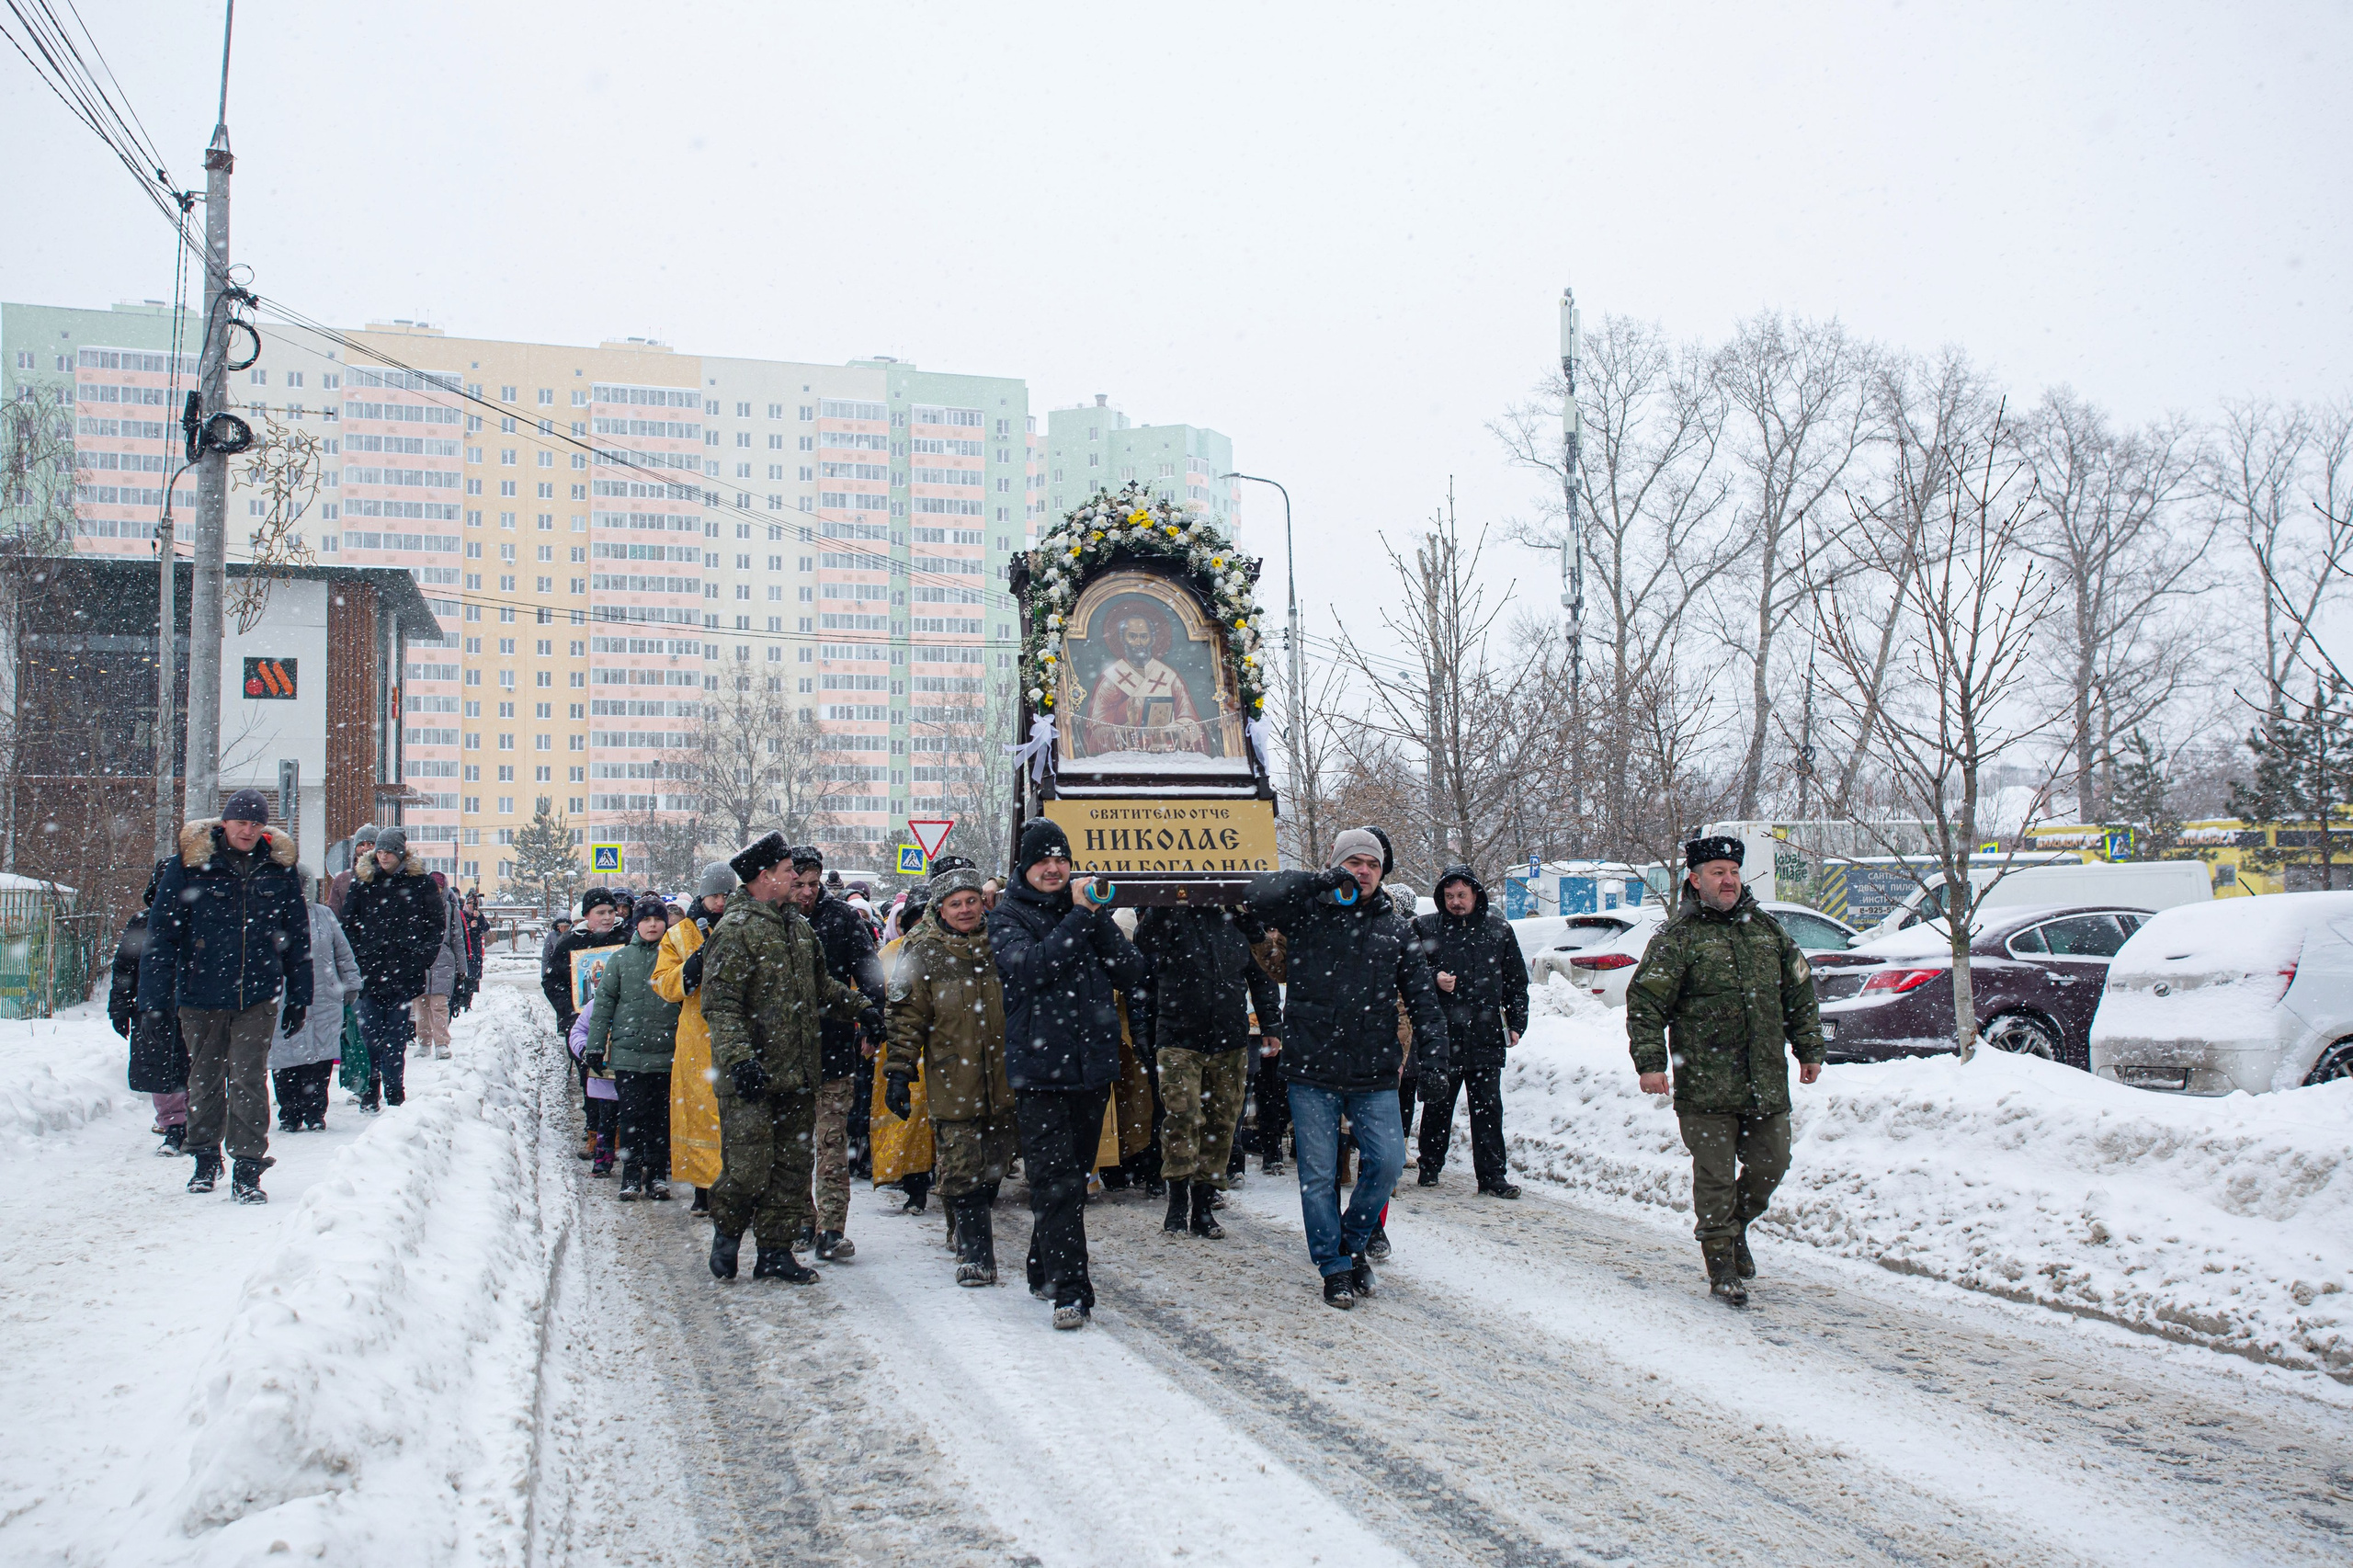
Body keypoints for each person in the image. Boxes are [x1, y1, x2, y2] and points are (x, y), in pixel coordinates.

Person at [1245, 827, 1445, 1310]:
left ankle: (1352, 1243)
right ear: (1338, 865)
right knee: (1317, 1176)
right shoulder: (1305, 916)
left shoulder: (1397, 930)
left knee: (1388, 1162)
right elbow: (1257, 894)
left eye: (1372, 864)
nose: (1364, 870)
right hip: (1311, 1069)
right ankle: (1333, 1266)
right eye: (1354, 861)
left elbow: (1422, 999)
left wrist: (1435, 1057)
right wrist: (1316, 882)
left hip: (1373, 1070)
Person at [1627, 835, 1824, 1307]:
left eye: (1733, 871)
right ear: (1695, 881)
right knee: (1714, 1176)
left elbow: (1799, 994)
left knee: (1772, 1164)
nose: (1729, 880)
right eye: (1717, 872)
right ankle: (1720, 1263)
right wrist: (1651, 1063)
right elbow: (1646, 1004)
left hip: (1765, 1080)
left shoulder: (1768, 933)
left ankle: (1736, 1230)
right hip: (1704, 1082)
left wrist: (1809, 1049)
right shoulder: (1677, 939)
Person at [989, 818, 1152, 1329]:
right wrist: (1080, 917)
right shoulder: (1007, 915)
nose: (1054, 869)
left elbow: (1132, 971)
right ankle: (1072, 1290)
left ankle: (1042, 1267)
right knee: (1055, 1181)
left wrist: (1096, 915)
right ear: (1026, 865)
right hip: (1039, 1072)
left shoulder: (1086, 911)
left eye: (1061, 859)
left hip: (1091, 1069)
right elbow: (1034, 968)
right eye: (1043, 860)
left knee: (1074, 1178)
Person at [700, 833, 882, 1284]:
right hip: (751, 1077)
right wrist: (740, 1060)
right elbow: (721, 1005)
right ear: (767, 878)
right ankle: (726, 1237)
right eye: (788, 873)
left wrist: (864, 1011)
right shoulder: (736, 929)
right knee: (747, 1169)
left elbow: (824, 988)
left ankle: (775, 1253)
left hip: (798, 1073)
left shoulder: (798, 928)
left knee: (790, 1169)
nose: (796, 880)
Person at [136, 790, 312, 1201]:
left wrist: (301, 995)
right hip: (200, 995)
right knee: (205, 1078)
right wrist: (153, 1002)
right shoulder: (192, 867)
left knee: (250, 1079)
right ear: (225, 823)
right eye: (241, 822)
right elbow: (161, 938)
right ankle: (204, 1159)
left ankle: (248, 1168)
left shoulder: (279, 871)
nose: (248, 830)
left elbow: (298, 939)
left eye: (256, 823)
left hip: (257, 995)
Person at [884, 862, 1016, 1286]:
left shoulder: (1004, 941)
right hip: (952, 1079)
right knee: (961, 1166)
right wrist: (899, 1073)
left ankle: (963, 1224)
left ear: (983, 902)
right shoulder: (922, 950)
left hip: (1004, 1079)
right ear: (940, 908)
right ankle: (977, 1253)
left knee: (995, 1164)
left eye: (972, 901)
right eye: (955, 903)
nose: (964, 910)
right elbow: (906, 1018)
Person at [1131, 903, 1281, 1239]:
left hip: (1229, 1037)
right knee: (1181, 1118)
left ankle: (1203, 1205)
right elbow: (1144, 946)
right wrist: (1163, 902)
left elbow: (1261, 975)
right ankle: (1176, 1203)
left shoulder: (1240, 918)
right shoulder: (1170, 913)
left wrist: (1271, 1022)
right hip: (1178, 1036)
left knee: (1223, 1122)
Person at [788, 844, 885, 1261]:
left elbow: (870, 975)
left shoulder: (842, 919)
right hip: (785, 1052)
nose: (806, 892)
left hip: (833, 1046)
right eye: (799, 884)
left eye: (813, 884)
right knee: (793, 1144)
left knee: (830, 1142)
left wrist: (872, 1019)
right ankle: (801, 1220)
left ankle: (831, 1228)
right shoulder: (773, 918)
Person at [1412, 865, 1530, 1198]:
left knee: (1488, 1108)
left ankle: (1492, 1176)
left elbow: (1517, 982)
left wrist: (1517, 1022)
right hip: (1442, 1034)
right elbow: (1408, 973)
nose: (1456, 902)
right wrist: (1434, 977)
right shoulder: (1425, 928)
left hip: (1485, 1032)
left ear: (1475, 894)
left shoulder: (1498, 930)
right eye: (1449, 896)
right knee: (1438, 1103)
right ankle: (1430, 1165)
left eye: (1461, 895)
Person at [337, 826, 445, 1116]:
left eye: (387, 851)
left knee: (396, 1037)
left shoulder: (419, 883)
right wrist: (359, 956)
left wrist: (421, 958)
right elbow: (348, 923)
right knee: (370, 1036)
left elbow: (435, 925)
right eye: (379, 851)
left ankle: (395, 1093)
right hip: (370, 974)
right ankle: (370, 1091)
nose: (382, 856)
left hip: (403, 973)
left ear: (399, 853)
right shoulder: (364, 882)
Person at [585, 895, 683, 1200]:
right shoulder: (620, 959)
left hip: (666, 1053)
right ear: (635, 924)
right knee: (629, 1118)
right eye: (645, 919)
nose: (652, 925)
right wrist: (595, 1046)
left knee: (658, 1117)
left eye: (657, 919)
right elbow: (603, 1005)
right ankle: (630, 1176)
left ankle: (655, 1175)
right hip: (628, 1054)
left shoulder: (674, 957)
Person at [654, 862, 734, 1213]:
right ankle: (703, 1189)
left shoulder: (738, 926)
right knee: (700, 1113)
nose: (719, 901)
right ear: (703, 894)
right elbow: (665, 983)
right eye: (714, 894)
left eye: (726, 894)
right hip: (696, 1037)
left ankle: (731, 1187)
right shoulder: (679, 934)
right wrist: (694, 965)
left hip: (733, 1032)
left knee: (731, 1112)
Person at [109, 860, 189, 1155]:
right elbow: (124, 969)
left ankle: (197, 1123)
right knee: (161, 1069)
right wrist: (119, 1008)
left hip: (194, 1006)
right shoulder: (142, 922)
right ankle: (173, 1127)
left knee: (197, 1066)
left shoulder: (199, 918)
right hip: (151, 1010)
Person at [274, 869, 362, 1132]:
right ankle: (289, 1112)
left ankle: (315, 1111)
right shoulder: (271, 916)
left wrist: (351, 982)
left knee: (320, 1056)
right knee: (285, 1057)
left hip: (325, 997)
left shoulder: (323, 915)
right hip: (284, 1000)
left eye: (300, 885)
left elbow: (343, 952)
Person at [542, 889, 623, 1037]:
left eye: (611, 912)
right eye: (600, 913)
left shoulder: (626, 939)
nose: (607, 917)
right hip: (582, 1025)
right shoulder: (569, 944)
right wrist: (571, 1012)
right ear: (586, 915)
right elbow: (552, 982)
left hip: (623, 1026)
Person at [415, 870, 466, 1062]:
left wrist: (462, 967)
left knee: (439, 1004)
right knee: (421, 1005)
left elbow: (457, 939)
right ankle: (424, 1041)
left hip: (443, 959)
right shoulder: (416, 907)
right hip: (421, 961)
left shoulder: (450, 909)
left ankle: (441, 1043)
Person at [324, 824, 377, 918]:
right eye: (361, 844)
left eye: (371, 843)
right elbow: (334, 918)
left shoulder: (386, 876)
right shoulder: (342, 880)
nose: (366, 848)